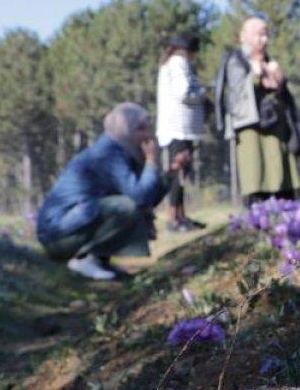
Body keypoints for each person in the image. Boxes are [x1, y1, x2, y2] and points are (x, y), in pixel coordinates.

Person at [36, 103, 188, 281]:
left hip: (70, 230)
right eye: (141, 129)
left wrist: (173, 171)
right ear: (125, 131)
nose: (148, 135)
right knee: (125, 206)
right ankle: (84, 260)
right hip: (59, 237)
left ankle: (98, 260)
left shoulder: (120, 151)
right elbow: (140, 198)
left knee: (128, 206)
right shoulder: (109, 154)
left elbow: (147, 199)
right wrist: (151, 162)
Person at [214, 17, 300, 206]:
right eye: (259, 34)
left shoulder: (270, 61)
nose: (264, 39)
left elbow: (283, 92)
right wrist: (256, 75)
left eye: (266, 34)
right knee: (256, 176)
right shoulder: (236, 59)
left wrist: (278, 82)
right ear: (244, 36)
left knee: (280, 174)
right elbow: (236, 95)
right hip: (251, 129)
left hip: (276, 127)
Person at [155, 34, 208, 232]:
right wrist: (202, 93)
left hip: (179, 127)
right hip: (179, 128)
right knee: (178, 174)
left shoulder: (171, 63)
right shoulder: (178, 63)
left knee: (181, 174)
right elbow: (183, 91)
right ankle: (174, 218)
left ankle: (180, 215)